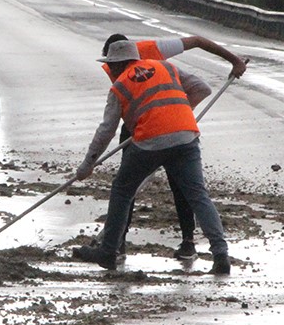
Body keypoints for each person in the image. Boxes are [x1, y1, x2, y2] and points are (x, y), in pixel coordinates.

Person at [77, 31, 248, 261]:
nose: (110, 71)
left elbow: (106, 130)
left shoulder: (120, 85)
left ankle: (109, 250)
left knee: (122, 189)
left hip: (149, 140)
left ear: (116, 63)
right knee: (198, 195)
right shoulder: (164, 66)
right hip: (185, 135)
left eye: (110, 65)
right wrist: (176, 114)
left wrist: (88, 165)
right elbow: (201, 88)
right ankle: (221, 255)